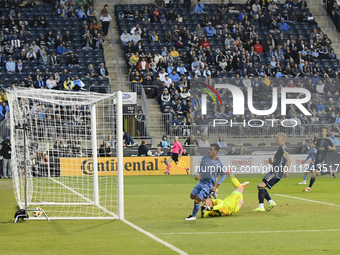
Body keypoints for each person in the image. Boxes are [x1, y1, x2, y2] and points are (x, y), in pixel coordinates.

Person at [186, 144, 227, 220]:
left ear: (216, 152)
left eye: (211, 150)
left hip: (209, 185)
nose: (209, 151)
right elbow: (201, 166)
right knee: (192, 196)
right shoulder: (205, 157)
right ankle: (207, 198)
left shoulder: (218, 163)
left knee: (197, 200)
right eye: (209, 149)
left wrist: (215, 186)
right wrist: (198, 174)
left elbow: (223, 176)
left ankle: (193, 216)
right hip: (201, 182)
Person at [253, 133, 291, 212]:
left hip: (275, 173)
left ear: (282, 140)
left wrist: (287, 171)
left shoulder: (283, 148)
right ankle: (271, 202)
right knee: (260, 186)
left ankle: (261, 206)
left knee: (261, 185)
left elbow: (288, 160)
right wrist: (272, 162)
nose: (276, 139)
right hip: (274, 172)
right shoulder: (280, 148)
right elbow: (280, 161)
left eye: (277, 138)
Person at [303, 127, 336, 192]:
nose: (322, 132)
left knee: (314, 172)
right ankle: (330, 172)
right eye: (322, 131)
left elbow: (334, 148)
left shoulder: (328, 140)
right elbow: (316, 147)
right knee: (317, 173)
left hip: (323, 158)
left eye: (324, 131)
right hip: (317, 157)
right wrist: (312, 145)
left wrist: (331, 149)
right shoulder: (319, 140)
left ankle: (309, 188)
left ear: (326, 132)